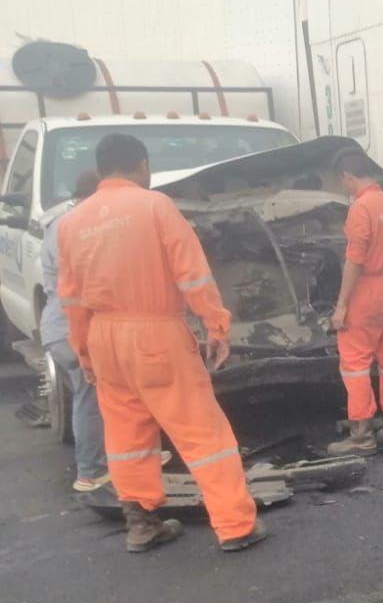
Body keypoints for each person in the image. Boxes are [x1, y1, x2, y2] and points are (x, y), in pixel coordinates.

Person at [57, 133, 266, 553]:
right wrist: (216, 326)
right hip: (154, 332)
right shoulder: (154, 206)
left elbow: (72, 299)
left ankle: (141, 524)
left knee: (126, 437)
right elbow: (193, 275)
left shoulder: (71, 223)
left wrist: (84, 352)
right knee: (201, 432)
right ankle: (234, 525)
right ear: (143, 166)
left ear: (100, 172)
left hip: (104, 339)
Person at [328, 149, 383, 454]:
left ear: (348, 176)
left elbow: (354, 262)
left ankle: (361, 434)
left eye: (343, 182)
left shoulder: (361, 208)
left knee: (355, 363)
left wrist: (341, 306)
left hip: (366, 292)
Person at [40, 170, 109, 492]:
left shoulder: (62, 223)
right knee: (90, 396)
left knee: (93, 396)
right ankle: (92, 472)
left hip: (57, 327)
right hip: (71, 328)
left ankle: (113, 462)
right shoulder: (79, 226)